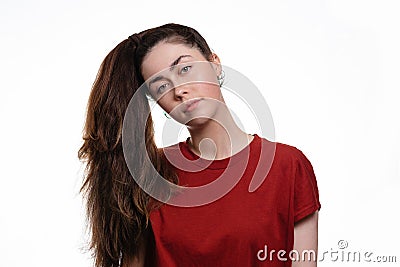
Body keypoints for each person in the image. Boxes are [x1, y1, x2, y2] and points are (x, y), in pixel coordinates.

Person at [78, 23, 321, 267]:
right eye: (161, 86)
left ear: (214, 63)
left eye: (185, 69)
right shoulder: (150, 173)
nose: (179, 90)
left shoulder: (288, 166)